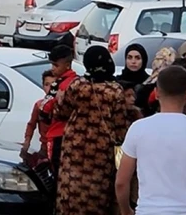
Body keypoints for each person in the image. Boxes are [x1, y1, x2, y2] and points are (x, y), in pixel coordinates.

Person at [116, 66, 186, 215]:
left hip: (148, 211)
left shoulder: (138, 129)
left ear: (156, 93)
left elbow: (121, 182)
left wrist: (126, 211)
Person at [54, 45, 136, 215]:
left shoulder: (77, 85)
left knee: (71, 194)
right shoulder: (114, 90)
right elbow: (120, 126)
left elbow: (61, 113)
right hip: (101, 152)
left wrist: (59, 100)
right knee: (97, 196)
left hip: (74, 150)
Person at [41, 45, 78, 174]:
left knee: (56, 169)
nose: (52, 69)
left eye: (56, 65)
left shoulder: (59, 84)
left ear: (67, 65)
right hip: (73, 133)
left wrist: (43, 113)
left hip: (57, 132)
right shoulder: (78, 81)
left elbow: (45, 106)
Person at [21, 70, 56, 165]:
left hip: (59, 149)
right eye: (46, 84)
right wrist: (27, 141)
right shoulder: (39, 105)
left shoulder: (63, 106)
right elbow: (31, 124)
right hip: (44, 148)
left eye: (53, 85)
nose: (49, 88)